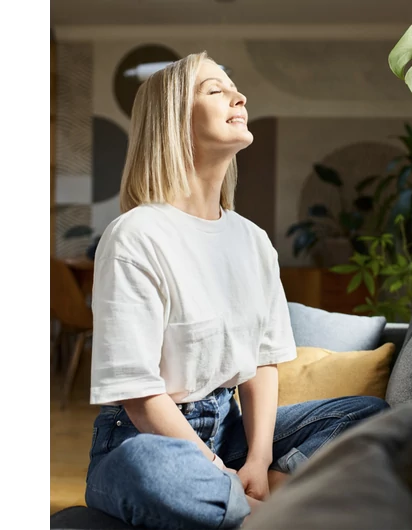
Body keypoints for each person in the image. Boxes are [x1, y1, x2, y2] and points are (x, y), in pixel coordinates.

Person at [84, 51, 390, 530]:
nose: (239, 97)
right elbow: (138, 393)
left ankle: (253, 501)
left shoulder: (252, 240)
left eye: (234, 87)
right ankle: (274, 513)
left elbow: (262, 362)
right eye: (215, 89)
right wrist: (210, 468)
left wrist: (258, 460)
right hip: (145, 437)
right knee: (150, 469)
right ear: (173, 121)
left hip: (232, 430)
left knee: (370, 414)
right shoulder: (135, 236)